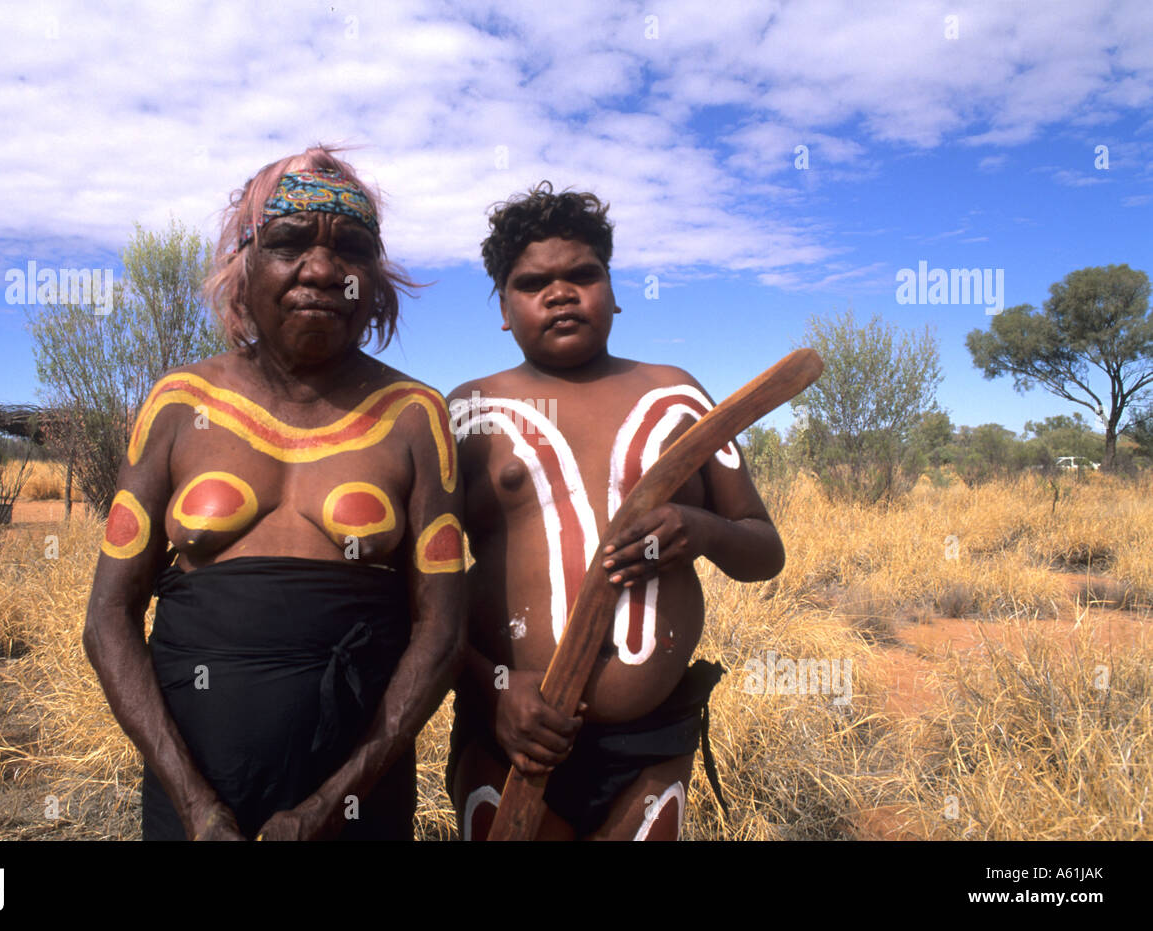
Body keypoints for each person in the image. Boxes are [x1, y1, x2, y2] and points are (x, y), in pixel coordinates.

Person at [84, 146, 464, 841]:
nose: (321, 269)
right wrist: (197, 807)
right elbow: (108, 617)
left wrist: (334, 799)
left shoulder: (414, 417)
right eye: (289, 242)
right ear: (244, 264)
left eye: (350, 248)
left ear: (374, 281)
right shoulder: (179, 405)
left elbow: (441, 630)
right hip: (191, 799)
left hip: (358, 806)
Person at [446, 182, 785, 840]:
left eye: (583, 274)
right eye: (532, 282)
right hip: (509, 738)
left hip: (652, 747)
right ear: (504, 310)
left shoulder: (679, 397)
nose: (561, 292)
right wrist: (494, 688)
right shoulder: (465, 414)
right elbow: (421, 596)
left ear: (614, 289)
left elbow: (763, 549)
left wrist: (702, 528)